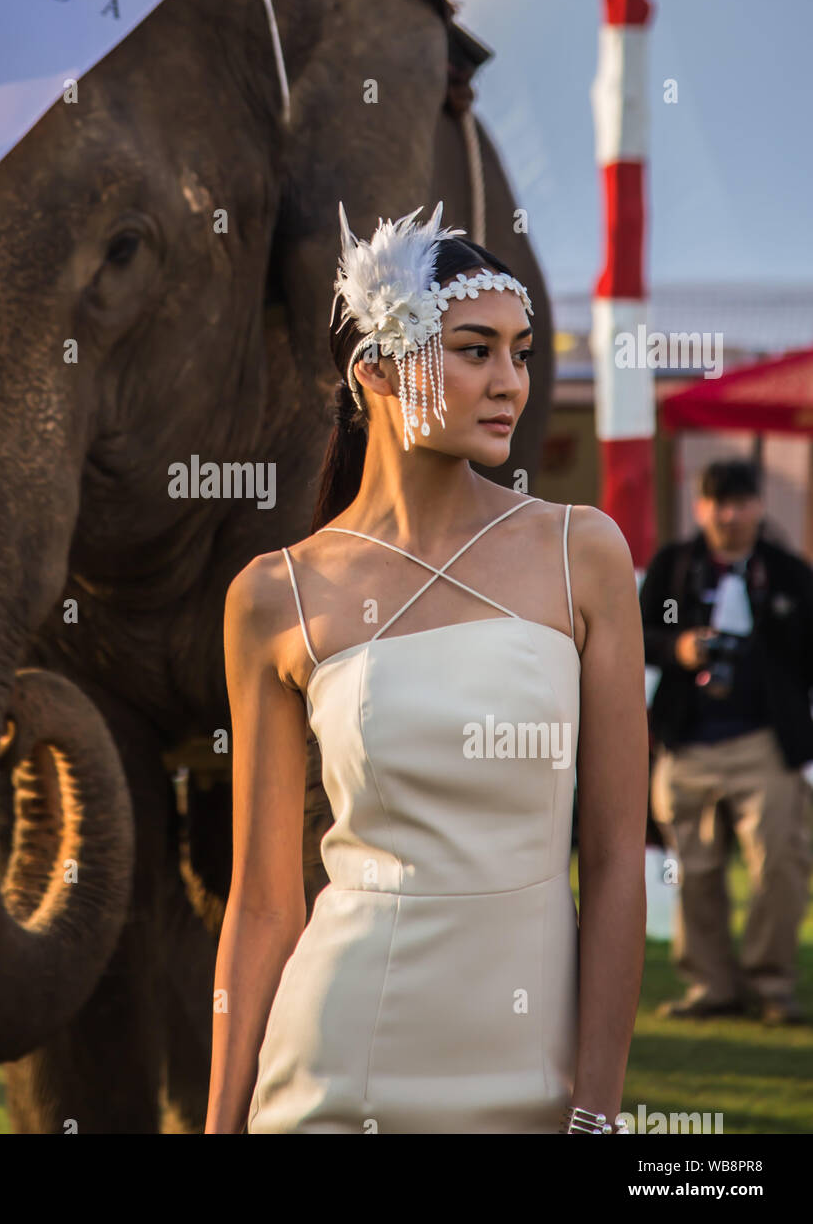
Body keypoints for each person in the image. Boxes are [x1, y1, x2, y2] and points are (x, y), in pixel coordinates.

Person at [207, 203, 647, 1134]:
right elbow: (262, 904)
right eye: (474, 349)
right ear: (376, 370)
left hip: (532, 1074)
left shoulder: (584, 554)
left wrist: (597, 1115)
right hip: (333, 1065)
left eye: (521, 354)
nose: (511, 385)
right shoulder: (274, 595)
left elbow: (614, 864)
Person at [642, 460, 813, 1026]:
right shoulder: (674, 566)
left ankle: (770, 986)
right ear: (699, 506)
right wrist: (679, 649)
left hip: (766, 744)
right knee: (694, 870)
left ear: (759, 507)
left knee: (780, 867)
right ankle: (710, 988)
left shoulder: (788, 573)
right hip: (687, 742)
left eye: (739, 502)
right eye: (716, 501)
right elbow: (639, 636)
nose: (728, 514)